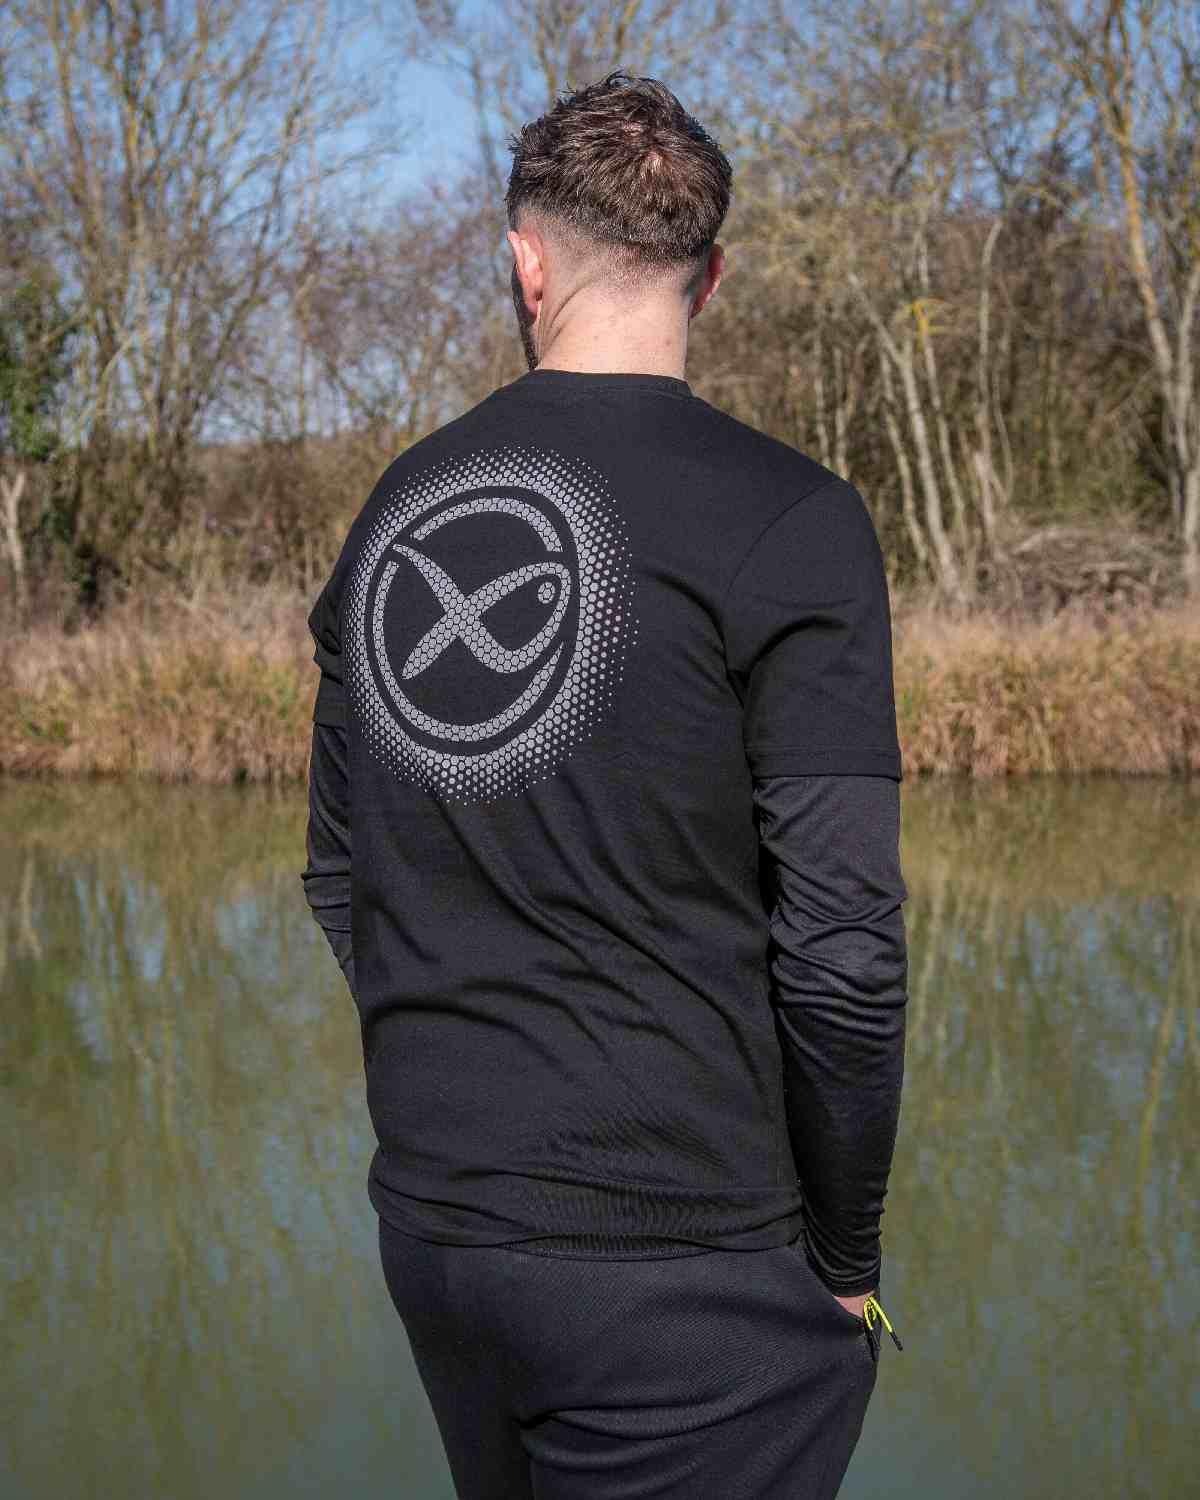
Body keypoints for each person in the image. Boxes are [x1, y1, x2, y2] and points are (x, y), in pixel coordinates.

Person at [301, 69, 908, 1500]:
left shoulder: (398, 509)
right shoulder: (793, 518)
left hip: (441, 1232)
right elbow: (844, 949)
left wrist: (468, 1099)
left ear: (526, 261)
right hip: (688, 1274)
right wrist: (846, 1253)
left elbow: (340, 874)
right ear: (713, 274)